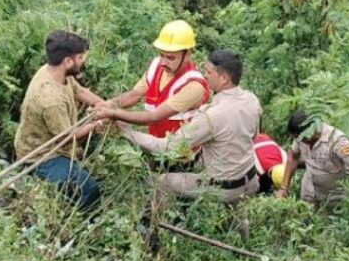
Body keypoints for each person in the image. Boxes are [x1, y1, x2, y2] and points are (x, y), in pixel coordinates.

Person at [109, 49, 261, 242]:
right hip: (250, 178)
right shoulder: (252, 100)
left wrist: (127, 131)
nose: (205, 75)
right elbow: (254, 135)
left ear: (223, 78)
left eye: (209, 72)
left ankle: (150, 235)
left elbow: (168, 147)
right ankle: (244, 245)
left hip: (224, 187)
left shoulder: (211, 116)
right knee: (236, 212)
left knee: (162, 181)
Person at [13, 30, 107, 211]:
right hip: (43, 155)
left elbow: (80, 92)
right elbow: (69, 136)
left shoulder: (56, 72)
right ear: (68, 61)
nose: (84, 61)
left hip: (54, 140)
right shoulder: (51, 99)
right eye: (81, 57)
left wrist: (105, 106)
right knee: (89, 188)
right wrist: (95, 124)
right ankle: (88, 221)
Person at [95, 20, 210, 141]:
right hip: (154, 144)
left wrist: (114, 113)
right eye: (162, 55)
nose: (164, 62)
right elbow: (134, 95)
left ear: (187, 55)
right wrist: (109, 104)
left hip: (179, 153)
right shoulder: (157, 66)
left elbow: (154, 116)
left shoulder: (193, 85)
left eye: (171, 58)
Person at [276, 111, 349, 214]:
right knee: (305, 219)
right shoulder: (300, 137)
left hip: (333, 194)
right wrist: (284, 187)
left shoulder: (337, 141)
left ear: (311, 130)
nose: (301, 141)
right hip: (309, 188)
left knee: (329, 223)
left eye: (303, 138)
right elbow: (293, 157)